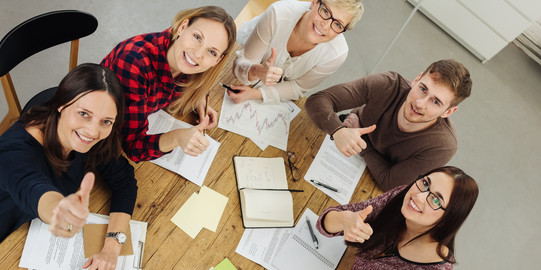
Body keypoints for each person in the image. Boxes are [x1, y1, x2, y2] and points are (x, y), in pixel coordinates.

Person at [0, 64, 138, 270]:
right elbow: (31, 187)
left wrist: (112, 246)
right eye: (84, 114)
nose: (93, 131)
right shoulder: (13, 152)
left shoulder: (97, 137)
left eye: (106, 121)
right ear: (62, 105)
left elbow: (124, 181)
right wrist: (58, 209)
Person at [305, 59, 472, 191]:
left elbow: (390, 183)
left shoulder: (443, 145)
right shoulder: (388, 84)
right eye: (423, 89)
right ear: (416, 80)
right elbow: (318, 100)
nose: (421, 103)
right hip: (345, 135)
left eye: (436, 101)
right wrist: (339, 130)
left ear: (448, 112)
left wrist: (362, 142)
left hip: (363, 155)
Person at [101, 6, 236, 162]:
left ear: (217, 60)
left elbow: (192, 81)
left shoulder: (188, 61)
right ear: (182, 27)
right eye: (197, 37)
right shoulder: (134, 62)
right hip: (99, 136)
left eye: (212, 52)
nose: (198, 54)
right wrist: (177, 137)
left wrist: (197, 99)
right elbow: (133, 146)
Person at [316, 166, 479, 269]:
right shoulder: (402, 196)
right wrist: (344, 220)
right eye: (425, 183)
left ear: (447, 220)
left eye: (436, 200)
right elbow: (323, 223)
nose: (419, 196)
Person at [228, 0, 363, 104]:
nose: (326, 26)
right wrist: (257, 71)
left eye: (338, 24)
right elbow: (241, 66)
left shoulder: (336, 54)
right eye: (326, 12)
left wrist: (256, 94)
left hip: (267, 89)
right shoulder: (278, 14)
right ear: (314, 3)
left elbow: (298, 87)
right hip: (237, 53)